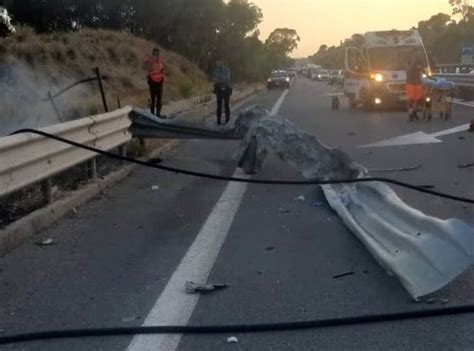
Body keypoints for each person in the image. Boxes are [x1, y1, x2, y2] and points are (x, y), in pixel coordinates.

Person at [143, 48, 165, 117]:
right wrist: (149, 79)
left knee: (159, 99)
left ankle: (158, 114)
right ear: (153, 54)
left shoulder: (160, 62)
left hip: (159, 83)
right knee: (153, 99)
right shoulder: (149, 61)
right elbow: (146, 71)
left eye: (157, 54)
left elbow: (162, 71)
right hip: (152, 82)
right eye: (154, 54)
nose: (156, 55)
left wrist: (162, 79)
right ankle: (152, 114)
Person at [406, 54, 425, 122]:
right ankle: (410, 114)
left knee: (418, 99)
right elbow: (408, 71)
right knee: (411, 100)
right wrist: (412, 63)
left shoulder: (418, 64)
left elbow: (423, 71)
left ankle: (414, 111)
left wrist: (421, 67)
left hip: (418, 83)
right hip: (410, 84)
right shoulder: (409, 65)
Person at [213, 60, 232, 125]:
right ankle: (218, 120)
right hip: (219, 89)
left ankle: (227, 120)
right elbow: (215, 79)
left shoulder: (227, 70)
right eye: (217, 62)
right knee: (219, 106)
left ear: (222, 63)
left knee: (227, 106)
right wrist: (221, 80)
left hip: (226, 89)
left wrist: (220, 80)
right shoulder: (216, 71)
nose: (217, 63)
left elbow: (227, 79)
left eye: (219, 62)